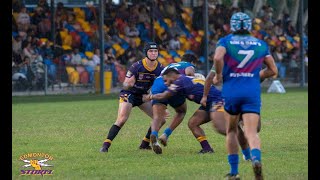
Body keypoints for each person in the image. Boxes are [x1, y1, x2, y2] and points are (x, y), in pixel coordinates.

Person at [211, 12, 277, 180]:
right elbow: (273, 71)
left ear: (231, 25)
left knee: (231, 130)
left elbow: (218, 56)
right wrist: (256, 76)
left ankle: (234, 172)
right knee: (251, 131)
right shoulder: (260, 44)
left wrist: (218, 75)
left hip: (232, 91)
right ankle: (256, 159)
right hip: (251, 92)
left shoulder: (225, 41)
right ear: (249, 26)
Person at [143, 68, 257, 159]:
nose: (165, 83)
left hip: (218, 100)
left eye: (165, 80)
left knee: (223, 128)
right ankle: (207, 148)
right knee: (193, 123)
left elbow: (164, 96)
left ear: (172, 75)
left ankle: (247, 144)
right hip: (209, 103)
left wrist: (150, 96)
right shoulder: (185, 79)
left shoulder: (178, 81)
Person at [100, 42, 164, 153]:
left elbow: (160, 86)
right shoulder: (136, 66)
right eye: (151, 51)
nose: (153, 53)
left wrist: (155, 98)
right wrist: (129, 83)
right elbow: (125, 84)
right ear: (146, 53)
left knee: (161, 119)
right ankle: (105, 146)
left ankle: (144, 144)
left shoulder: (160, 68)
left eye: (155, 51)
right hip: (129, 94)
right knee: (122, 119)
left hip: (143, 97)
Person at [144, 53, 199, 154]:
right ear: (192, 62)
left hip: (159, 83)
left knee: (157, 117)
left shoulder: (171, 65)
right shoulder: (189, 65)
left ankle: (154, 136)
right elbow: (189, 74)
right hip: (174, 83)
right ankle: (165, 135)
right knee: (181, 111)